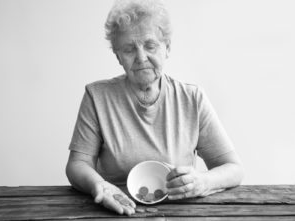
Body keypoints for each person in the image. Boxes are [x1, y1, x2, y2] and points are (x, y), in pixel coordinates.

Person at [66, 0, 244, 216]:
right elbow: (77, 164)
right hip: (115, 211)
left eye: (150, 46)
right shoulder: (97, 97)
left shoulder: (192, 98)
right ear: (118, 56)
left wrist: (203, 182)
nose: (141, 58)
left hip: (180, 213)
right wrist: (99, 186)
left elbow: (233, 169)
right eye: (129, 49)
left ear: (167, 48)